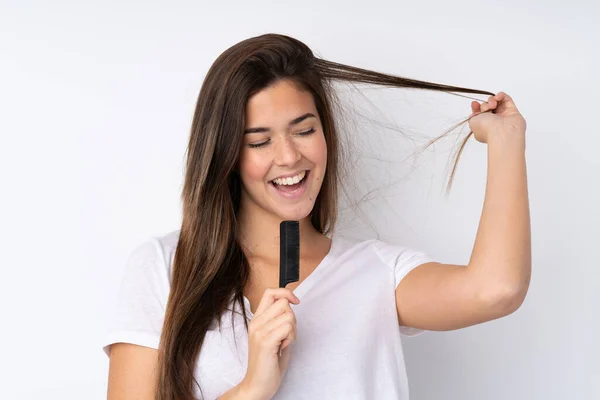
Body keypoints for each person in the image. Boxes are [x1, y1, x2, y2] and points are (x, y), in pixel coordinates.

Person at [103, 33, 531, 400]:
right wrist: (252, 388)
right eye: (259, 141)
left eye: (305, 130)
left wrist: (506, 141)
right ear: (226, 155)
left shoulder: (379, 274)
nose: (289, 157)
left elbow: (496, 289)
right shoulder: (164, 267)